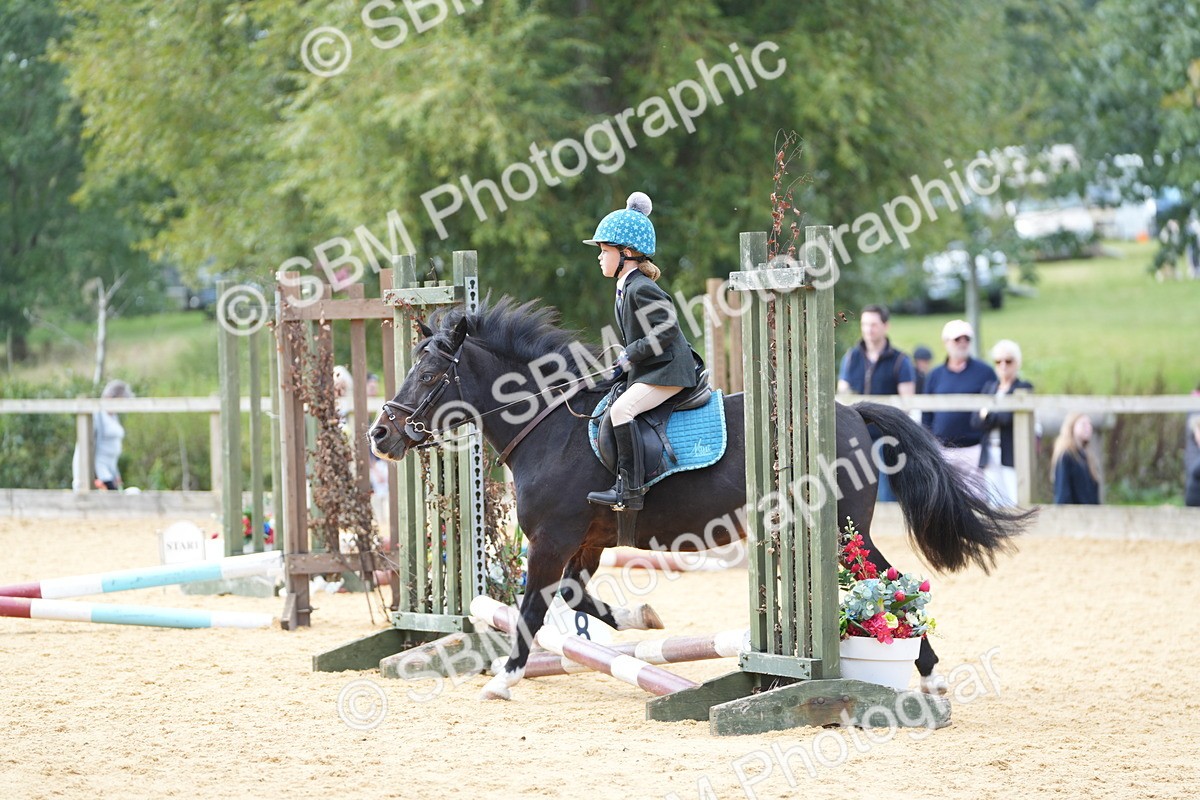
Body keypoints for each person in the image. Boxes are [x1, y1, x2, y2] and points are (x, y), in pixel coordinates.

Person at [582, 191, 697, 511]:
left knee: (621, 411)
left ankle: (629, 490)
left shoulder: (641, 287)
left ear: (627, 253)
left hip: (669, 369)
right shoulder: (625, 287)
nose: (599, 257)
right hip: (654, 368)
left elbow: (667, 329)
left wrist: (630, 354)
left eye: (605, 250)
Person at [836, 304, 915, 502]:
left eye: (873, 324)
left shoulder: (900, 361)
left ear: (885, 326)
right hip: (855, 434)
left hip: (885, 436)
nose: (868, 330)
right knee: (852, 491)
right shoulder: (851, 357)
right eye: (865, 324)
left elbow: (907, 403)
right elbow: (843, 393)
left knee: (885, 492)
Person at [921, 320, 997, 495]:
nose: (962, 343)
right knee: (945, 499)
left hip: (974, 449)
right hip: (942, 449)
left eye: (966, 339)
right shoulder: (935, 375)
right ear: (946, 342)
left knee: (976, 500)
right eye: (957, 339)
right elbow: (926, 413)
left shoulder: (985, 372)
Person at [972, 339, 1033, 507]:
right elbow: (975, 420)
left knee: (1014, 500)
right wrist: (989, 416)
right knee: (994, 500)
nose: (1003, 365)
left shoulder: (1023, 387)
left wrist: (987, 415)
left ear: (1017, 363)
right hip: (990, 451)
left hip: (1011, 452)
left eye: (1008, 361)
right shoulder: (989, 388)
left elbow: (1007, 418)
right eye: (998, 361)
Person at [1052, 412, 1100, 504]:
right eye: (1083, 424)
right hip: (1073, 515)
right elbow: (1063, 494)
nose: (1088, 427)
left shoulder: (1088, 457)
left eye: (1089, 424)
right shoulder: (1066, 456)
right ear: (1072, 427)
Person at [94, 379, 134, 490]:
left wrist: (116, 474)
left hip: (111, 470)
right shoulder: (98, 416)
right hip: (100, 471)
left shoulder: (113, 416)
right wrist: (94, 476)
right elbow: (88, 447)